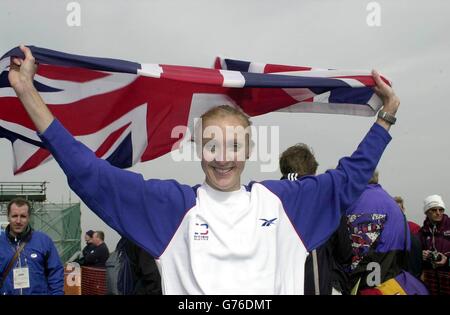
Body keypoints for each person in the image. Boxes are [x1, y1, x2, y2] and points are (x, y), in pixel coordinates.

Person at [8, 45, 399, 294]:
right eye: (212, 144)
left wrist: (385, 120)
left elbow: (349, 178)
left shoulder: (285, 204)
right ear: (197, 149)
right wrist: (27, 93)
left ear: (249, 150)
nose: (222, 156)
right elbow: (89, 174)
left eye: (233, 145)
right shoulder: (171, 208)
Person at [279, 144, 352, 295]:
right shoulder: (327, 201)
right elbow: (345, 253)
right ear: (313, 171)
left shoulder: (267, 198)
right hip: (315, 286)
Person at [345, 171, 427, 294]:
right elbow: (407, 248)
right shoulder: (393, 205)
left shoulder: (353, 202)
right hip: (393, 283)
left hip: (364, 284)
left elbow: (351, 252)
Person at [0, 197, 64, 295]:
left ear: (29, 217)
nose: (18, 221)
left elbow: (55, 273)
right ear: (8, 217)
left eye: (23, 216)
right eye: (14, 216)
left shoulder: (44, 241)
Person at [393, 196, 423, 279]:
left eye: (399, 209)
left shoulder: (414, 227)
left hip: (413, 275)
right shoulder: (385, 230)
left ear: (403, 209)